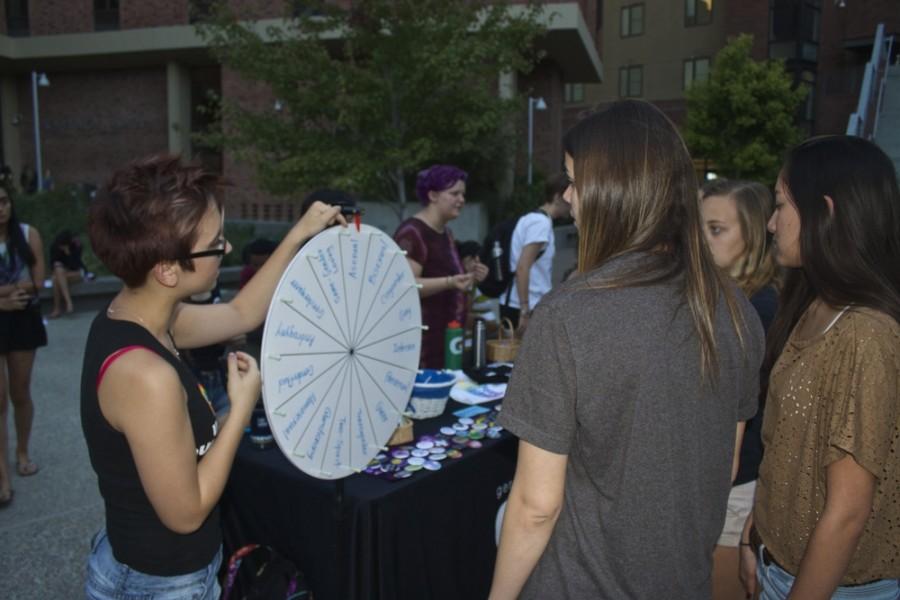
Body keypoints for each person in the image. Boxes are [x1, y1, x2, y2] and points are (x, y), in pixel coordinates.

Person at [489, 100, 764, 599]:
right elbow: (724, 463)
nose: (569, 197)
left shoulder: (569, 314)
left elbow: (534, 506)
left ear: (615, 190)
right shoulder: (736, 310)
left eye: (575, 180)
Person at [80, 154, 345, 598]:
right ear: (166, 269)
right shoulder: (145, 375)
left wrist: (299, 234)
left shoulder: (143, 316)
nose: (225, 249)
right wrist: (240, 407)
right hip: (158, 583)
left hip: (157, 567)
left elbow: (241, 314)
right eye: (215, 243)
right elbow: (186, 512)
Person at [740, 136, 900, 599]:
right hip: (779, 566)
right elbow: (787, 448)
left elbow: (847, 514)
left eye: (780, 206)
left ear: (824, 212)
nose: (770, 224)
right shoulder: (811, 303)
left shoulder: (866, 335)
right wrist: (757, 535)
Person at [700, 179, 780, 600]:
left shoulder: (761, 309)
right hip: (709, 483)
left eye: (716, 229)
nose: (701, 240)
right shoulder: (721, 297)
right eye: (699, 228)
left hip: (735, 488)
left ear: (750, 234)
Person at [393, 164, 488, 369]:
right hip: (422, 347)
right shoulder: (413, 233)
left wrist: (471, 276)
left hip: (447, 340)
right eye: (454, 193)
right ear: (433, 195)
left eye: (463, 194)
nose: (461, 200)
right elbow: (406, 286)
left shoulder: (446, 233)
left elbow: (450, 282)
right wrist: (450, 282)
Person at [0, 185, 46, 507]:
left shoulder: (28, 234)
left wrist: (12, 292)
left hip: (23, 320)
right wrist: (3, 299)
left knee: (20, 393)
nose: (0, 208)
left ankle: (22, 452)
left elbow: (39, 278)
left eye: (3, 201)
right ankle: (2, 472)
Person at [500, 173, 570, 332]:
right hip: (525, 306)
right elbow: (522, 267)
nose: (573, 204)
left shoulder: (533, 218)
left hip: (519, 303)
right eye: (570, 197)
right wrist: (525, 311)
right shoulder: (540, 223)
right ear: (558, 197)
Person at [48, 229, 91, 318]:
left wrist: (68, 253)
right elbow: (52, 264)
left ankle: (57, 309)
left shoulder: (76, 246)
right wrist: (59, 265)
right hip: (61, 274)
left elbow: (76, 265)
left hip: (77, 273)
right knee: (58, 274)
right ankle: (69, 304)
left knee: (56, 279)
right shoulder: (54, 247)